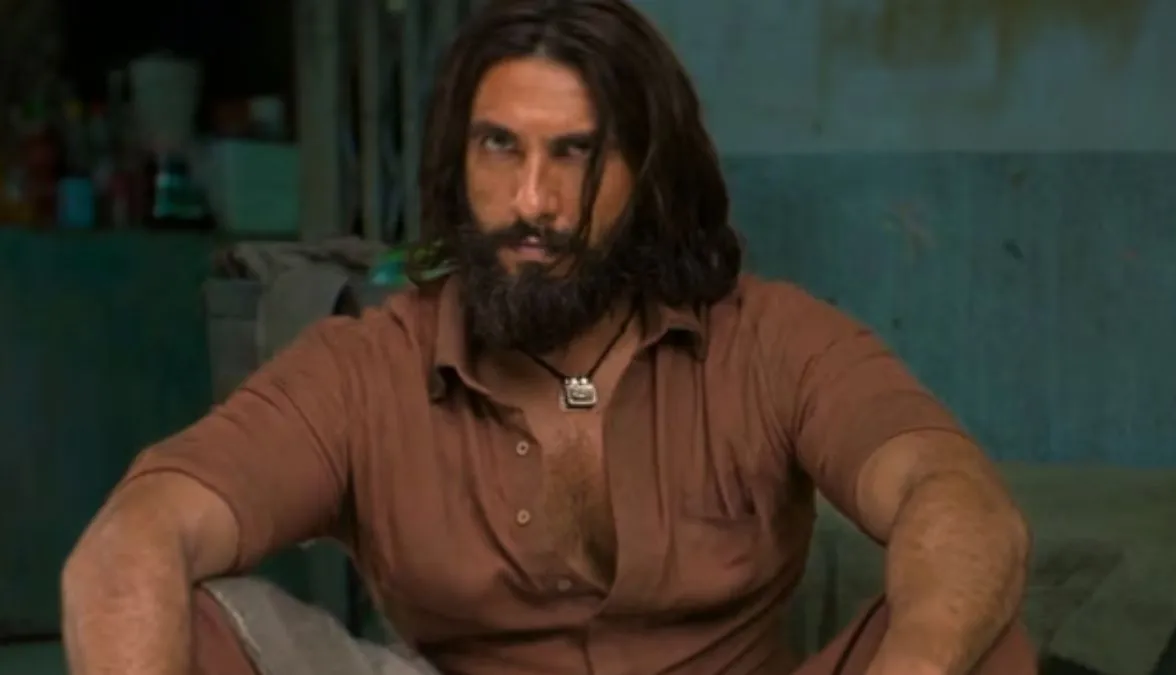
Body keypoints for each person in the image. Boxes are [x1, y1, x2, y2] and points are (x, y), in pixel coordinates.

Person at [60, 1, 1036, 673]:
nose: (533, 201)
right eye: (501, 147)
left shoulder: (771, 340)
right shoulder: (364, 368)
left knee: (978, 639)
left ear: (648, 176)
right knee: (179, 614)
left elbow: (951, 494)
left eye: (576, 154)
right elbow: (138, 534)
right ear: (458, 162)